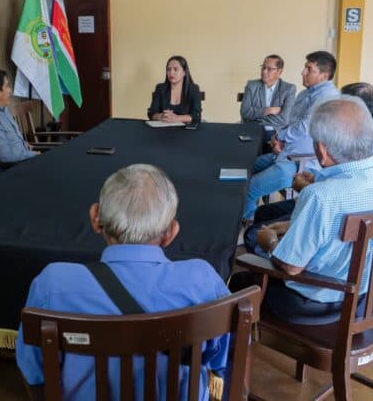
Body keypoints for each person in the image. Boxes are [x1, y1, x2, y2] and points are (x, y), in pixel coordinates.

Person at [16, 164, 230, 400]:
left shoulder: (52, 284)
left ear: (95, 218)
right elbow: (222, 359)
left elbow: (35, 373)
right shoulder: (203, 279)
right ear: (171, 232)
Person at [232, 96, 373, 322]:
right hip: (372, 296)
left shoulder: (321, 197)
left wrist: (269, 241)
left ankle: (238, 349)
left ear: (322, 150)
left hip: (320, 304)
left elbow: (291, 267)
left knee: (240, 279)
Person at [242, 82, 373, 248]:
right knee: (264, 212)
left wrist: (308, 189)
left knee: (253, 234)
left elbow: (341, 194)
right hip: (342, 204)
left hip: (338, 213)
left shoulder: (357, 140)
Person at [242, 51, 339, 222]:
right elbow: (289, 121)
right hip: (285, 153)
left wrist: (279, 135)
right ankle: (249, 216)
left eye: (309, 69)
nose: (303, 72)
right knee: (243, 168)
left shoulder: (326, 97)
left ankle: (252, 226)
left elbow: (304, 127)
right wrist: (278, 139)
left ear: (324, 75)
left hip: (302, 163)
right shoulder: (305, 94)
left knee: (250, 187)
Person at [239, 54, 296, 135]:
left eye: (269, 69)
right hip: (253, 131)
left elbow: (284, 120)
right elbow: (244, 112)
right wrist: (268, 110)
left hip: (276, 133)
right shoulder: (251, 85)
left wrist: (256, 120)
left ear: (279, 72)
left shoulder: (288, 89)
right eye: (263, 67)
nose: (264, 71)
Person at [147, 55, 202, 124]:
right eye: (169, 69)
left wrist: (177, 118)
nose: (171, 73)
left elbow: (196, 115)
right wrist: (161, 116)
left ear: (184, 72)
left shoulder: (193, 89)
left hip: (185, 131)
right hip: (163, 130)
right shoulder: (160, 88)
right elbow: (151, 113)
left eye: (175, 69)